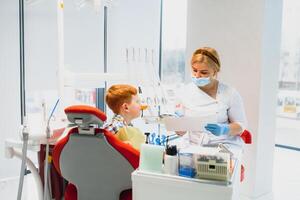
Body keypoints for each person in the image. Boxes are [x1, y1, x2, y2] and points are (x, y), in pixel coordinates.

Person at [175, 47, 247, 148]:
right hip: (193, 145)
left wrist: (224, 129)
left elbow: (241, 126)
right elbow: (181, 130)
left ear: (215, 71)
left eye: (204, 72)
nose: (197, 75)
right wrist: (179, 128)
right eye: (194, 70)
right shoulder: (184, 92)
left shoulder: (230, 93)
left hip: (224, 145)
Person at [103, 84, 146, 150]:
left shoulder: (126, 126)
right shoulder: (115, 126)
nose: (141, 105)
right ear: (126, 107)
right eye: (137, 102)